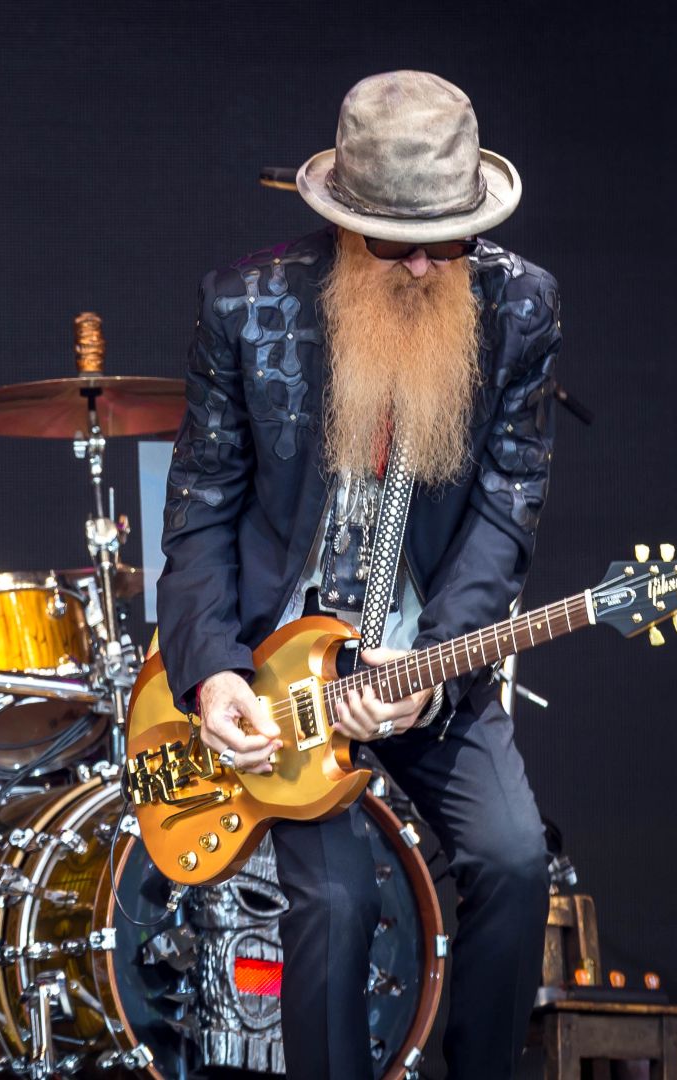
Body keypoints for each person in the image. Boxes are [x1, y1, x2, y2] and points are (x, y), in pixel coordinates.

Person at [158, 71, 559, 1078]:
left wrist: (432, 666)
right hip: (278, 673)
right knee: (333, 901)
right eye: (396, 243)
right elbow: (200, 512)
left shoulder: (521, 307)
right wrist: (213, 675)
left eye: (449, 240)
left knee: (514, 859)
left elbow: (510, 509)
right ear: (342, 223)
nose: (425, 267)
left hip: (423, 655)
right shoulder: (244, 306)